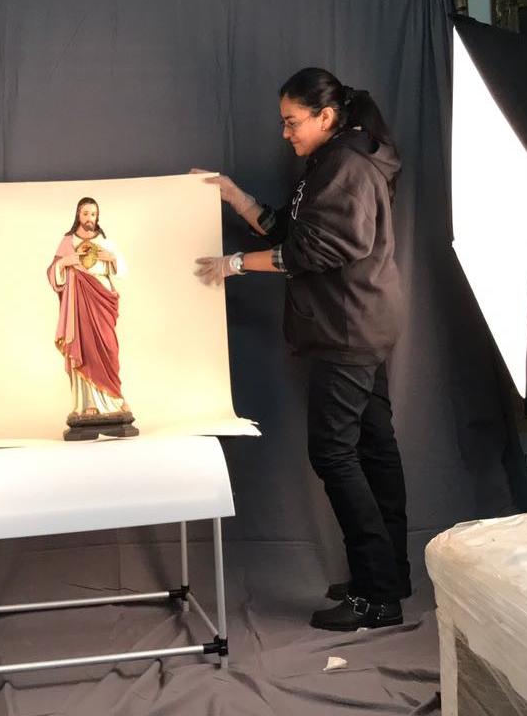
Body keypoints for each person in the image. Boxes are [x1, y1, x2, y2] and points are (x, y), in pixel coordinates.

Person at [193, 67, 409, 631]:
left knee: (336, 453)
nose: (286, 133)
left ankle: (377, 596)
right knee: (373, 447)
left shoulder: (346, 165)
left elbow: (316, 249)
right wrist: (236, 196)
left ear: (326, 117)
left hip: (348, 329)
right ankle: (389, 575)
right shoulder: (335, 159)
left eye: (293, 123)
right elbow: (292, 228)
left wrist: (235, 264)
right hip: (364, 320)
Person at [48, 197, 138, 439]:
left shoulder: (105, 242)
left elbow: (124, 271)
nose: (90, 218)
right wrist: (64, 263)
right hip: (79, 305)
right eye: (86, 213)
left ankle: (115, 399)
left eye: (94, 214)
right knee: (85, 348)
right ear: (78, 214)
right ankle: (88, 404)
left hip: (103, 300)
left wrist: (112, 259)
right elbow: (52, 273)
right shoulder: (67, 242)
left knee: (109, 348)